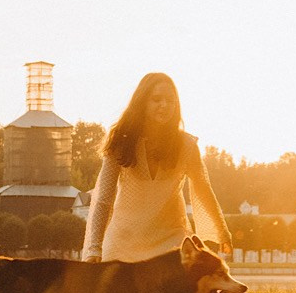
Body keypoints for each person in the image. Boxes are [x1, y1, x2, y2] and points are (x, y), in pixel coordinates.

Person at [82, 72, 232, 263]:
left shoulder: (186, 145)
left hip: (171, 240)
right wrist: (94, 248)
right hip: (123, 241)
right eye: (156, 99)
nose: (164, 106)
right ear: (142, 103)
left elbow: (203, 189)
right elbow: (104, 199)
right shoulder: (120, 141)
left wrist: (222, 232)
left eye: (170, 100)